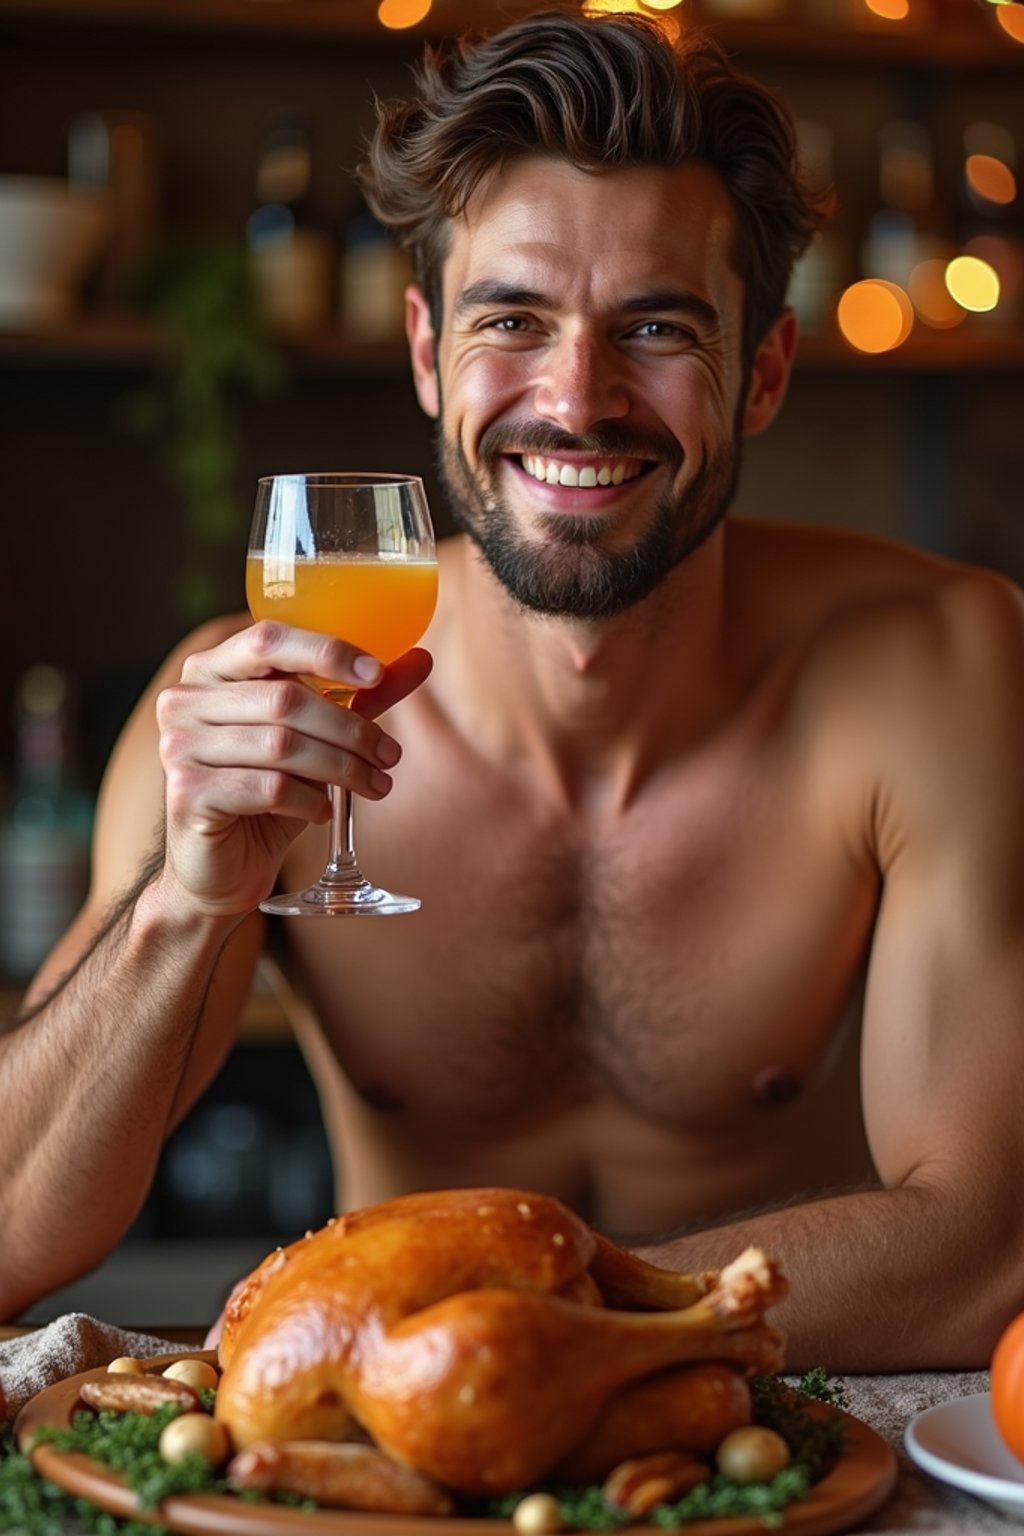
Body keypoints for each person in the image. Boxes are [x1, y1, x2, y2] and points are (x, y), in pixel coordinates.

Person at [3, 7, 1024, 1371]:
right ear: (427, 351)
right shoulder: (252, 705)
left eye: (656, 326)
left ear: (764, 373)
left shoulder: (940, 662)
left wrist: (509, 1304)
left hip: (776, 1452)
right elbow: (10, 1231)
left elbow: (985, 1252)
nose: (577, 396)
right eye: (514, 319)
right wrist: (187, 905)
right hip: (412, 1447)